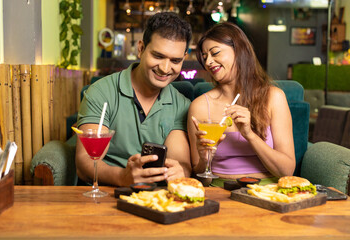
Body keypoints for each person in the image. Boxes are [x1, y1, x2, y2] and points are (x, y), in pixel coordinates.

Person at [75, 12, 192, 187]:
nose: (165, 68)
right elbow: (85, 162)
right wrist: (123, 177)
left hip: (157, 200)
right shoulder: (101, 92)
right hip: (105, 193)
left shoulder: (182, 105)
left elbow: (181, 163)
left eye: (175, 60)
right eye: (158, 56)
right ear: (141, 49)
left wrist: (180, 171)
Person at [188, 22, 295, 187]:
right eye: (204, 57)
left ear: (239, 51)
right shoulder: (200, 106)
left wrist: (250, 135)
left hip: (267, 190)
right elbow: (200, 179)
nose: (209, 61)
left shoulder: (274, 97)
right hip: (219, 190)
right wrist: (204, 160)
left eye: (215, 52)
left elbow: (287, 171)